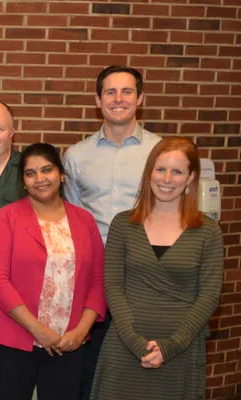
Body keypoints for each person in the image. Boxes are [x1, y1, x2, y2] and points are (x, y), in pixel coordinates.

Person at [91, 137, 223, 400]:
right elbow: (113, 285)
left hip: (180, 352)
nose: (167, 179)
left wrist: (170, 347)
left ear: (190, 178)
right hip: (125, 348)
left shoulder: (208, 232)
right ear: (149, 172)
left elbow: (208, 297)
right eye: (160, 169)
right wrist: (136, 343)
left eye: (177, 172)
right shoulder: (123, 224)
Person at [62, 65, 161, 399]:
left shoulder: (160, 153)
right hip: (95, 276)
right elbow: (74, 219)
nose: (118, 99)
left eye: (127, 91)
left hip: (146, 275)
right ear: (98, 99)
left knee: (141, 364)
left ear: (140, 98)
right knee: (93, 367)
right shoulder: (77, 156)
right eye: (110, 92)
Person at [0, 143, 105, 399]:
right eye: (31, 173)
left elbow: (98, 280)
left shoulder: (85, 221)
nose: (40, 179)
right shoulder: (7, 218)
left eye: (47, 170)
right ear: (24, 182)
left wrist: (81, 331)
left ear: (61, 174)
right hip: (15, 337)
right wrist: (38, 330)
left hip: (69, 342)